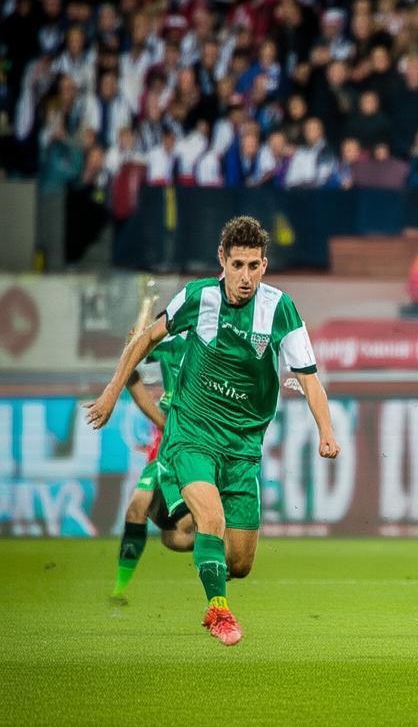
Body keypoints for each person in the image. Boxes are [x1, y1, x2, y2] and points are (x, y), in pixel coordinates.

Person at [86, 216, 341, 646]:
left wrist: (326, 431)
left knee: (239, 562)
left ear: (265, 265)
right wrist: (111, 393)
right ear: (222, 259)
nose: (245, 277)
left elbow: (309, 378)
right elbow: (145, 339)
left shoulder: (280, 309)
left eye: (254, 266)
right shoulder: (198, 297)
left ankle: (180, 535)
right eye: (237, 265)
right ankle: (218, 611)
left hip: (243, 447)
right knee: (212, 519)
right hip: (193, 434)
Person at [110, 331, 195, 604]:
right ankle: (119, 589)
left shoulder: (213, 343)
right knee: (136, 509)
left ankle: (223, 543)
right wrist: (133, 344)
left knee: (176, 536)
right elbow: (131, 372)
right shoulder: (172, 345)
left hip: (197, 446)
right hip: (164, 448)